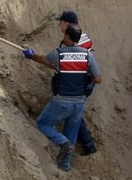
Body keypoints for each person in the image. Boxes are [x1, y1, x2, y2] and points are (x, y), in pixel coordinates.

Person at [24, 24, 101, 171]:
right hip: (79, 103)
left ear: (67, 37)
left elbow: (43, 60)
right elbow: (98, 79)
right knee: (71, 133)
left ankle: (62, 142)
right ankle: (64, 165)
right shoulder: (87, 55)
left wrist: (30, 55)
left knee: (42, 124)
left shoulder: (60, 53)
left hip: (62, 101)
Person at [55, 10, 97, 155]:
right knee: (74, 112)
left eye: (60, 22)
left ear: (66, 23)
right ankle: (84, 145)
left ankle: (87, 144)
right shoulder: (81, 36)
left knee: (73, 113)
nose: (59, 25)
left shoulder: (72, 41)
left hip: (79, 82)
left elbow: (69, 62)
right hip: (85, 80)